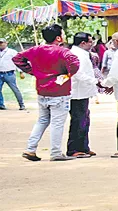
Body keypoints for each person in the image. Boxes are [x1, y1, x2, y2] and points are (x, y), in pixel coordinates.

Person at [13, 24, 80, 161]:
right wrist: (67, 74)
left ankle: (30, 149)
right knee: (57, 123)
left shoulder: (36, 49)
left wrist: (33, 72)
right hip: (59, 91)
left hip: (42, 90)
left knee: (42, 120)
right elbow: (74, 63)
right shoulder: (62, 51)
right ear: (58, 37)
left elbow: (17, 58)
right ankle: (55, 152)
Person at [67, 32, 99, 158]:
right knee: (78, 120)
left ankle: (84, 147)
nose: (92, 44)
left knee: (85, 119)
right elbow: (78, 73)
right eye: (90, 41)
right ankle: (74, 148)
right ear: (83, 43)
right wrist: (96, 82)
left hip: (83, 92)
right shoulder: (76, 54)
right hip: (77, 92)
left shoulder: (83, 54)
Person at [0, 38, 25, 110]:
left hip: (9, 74)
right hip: (0, 73)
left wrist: (21, 72)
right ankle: (1, 105)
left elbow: (18, 62)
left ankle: (21, 105)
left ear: (6, 43)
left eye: (2, 43)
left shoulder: (12, 52)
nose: (1, 44)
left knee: (15, 89)